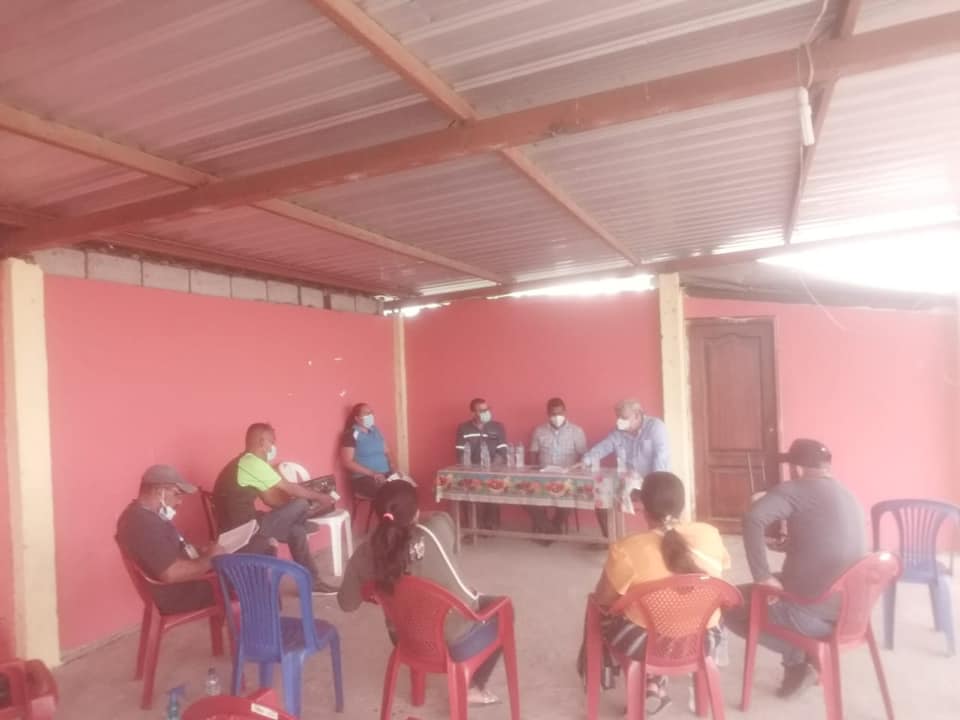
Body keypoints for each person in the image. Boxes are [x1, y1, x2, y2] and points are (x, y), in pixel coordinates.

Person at [338, 481, 505, 706]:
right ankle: (474, 688)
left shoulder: (365, 553)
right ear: (416, 512)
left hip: (404, 638)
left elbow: (347, 603)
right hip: (456, 640)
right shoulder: (437, 528)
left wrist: (377, 593)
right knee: (504, 609)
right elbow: (449, 540)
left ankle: (423, 692)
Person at [722, 438, 866, 699]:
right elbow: (827, 539)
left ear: (796, 469)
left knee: (725, 603)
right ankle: (804, 659)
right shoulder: (847, 494)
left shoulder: (796, 488)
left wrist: (762, 575)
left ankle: (797, 658)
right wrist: (789, 544)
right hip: (851, 613)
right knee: (753, 592)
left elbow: (753, 519)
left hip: (809, 610)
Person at [580, 471, 730, 715]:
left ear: (643, 508)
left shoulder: (627, 548)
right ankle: (656, 683)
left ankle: (639, 681)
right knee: (702, 610)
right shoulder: (710, 534)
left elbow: (603, 600)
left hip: (646, 644)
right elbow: (719, 575)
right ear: (683, 504)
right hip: (705, 637)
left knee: (598, 613)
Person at [213, 422, 339, 595]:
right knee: (302, 503)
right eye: (272, 442)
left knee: (296, 532)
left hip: (245, 524)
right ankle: (303, 521)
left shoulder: (244, 463)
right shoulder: (251, 462)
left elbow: (271, 500)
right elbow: (290, 488)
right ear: (262, 442)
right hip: (242, 531)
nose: (273, 447)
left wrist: (290, 510)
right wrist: (319, 497)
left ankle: (312, 583)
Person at [117, 464, 261, 613]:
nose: (179, 502)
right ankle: (257, 624)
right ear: (159, 491)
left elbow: (168, 552)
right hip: (181, 594)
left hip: (183, 585)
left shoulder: (143, 516)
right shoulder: (143, 525)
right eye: (177, 494)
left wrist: (201, 551)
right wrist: (210, 559)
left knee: (246, 563)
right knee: (252, 577)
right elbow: (171, 573)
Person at [579, 398, 669, 537]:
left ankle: (661, 537)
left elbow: (661, 458)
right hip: (628, 483)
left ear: (637, 415)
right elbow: (604, 446)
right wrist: (586, 460)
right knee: (599, 496)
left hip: (653, 481)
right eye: (618, 417)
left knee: (657, 508)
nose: (619, 421)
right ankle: (610, 540)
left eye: (624, 417)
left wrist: (653, 486)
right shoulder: (618, 431)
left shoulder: (655, 427)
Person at [527, 397, 587, 537]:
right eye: (553, 414)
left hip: (568, 476)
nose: (557, 417)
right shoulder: (539, 430)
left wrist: (576, 472)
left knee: (570, 496)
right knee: (524, 495)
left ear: (565, 412)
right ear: (548, 414)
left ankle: (552, 528)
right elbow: (533, 453)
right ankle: (551, 529)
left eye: (560, 413)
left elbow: (584, 455)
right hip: (543, 476)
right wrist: (533, 472)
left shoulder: (577, 431)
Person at [455, 398, 508, 530]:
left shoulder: (497, 427)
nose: (485, 412)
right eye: (481, 410)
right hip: (471, 470)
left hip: (494, 470)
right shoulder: (463, 428)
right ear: (473, 413)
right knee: (468, 489)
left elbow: (502, 451)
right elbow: (460, 453)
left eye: (487, 409)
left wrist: (491, 469)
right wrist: (471, 470)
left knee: (494, 487)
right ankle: (474, 527)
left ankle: (490, 525)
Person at [340, 402, 394, 501]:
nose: (371, 416)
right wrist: (373, 474)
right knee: (389, 493)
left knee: (405, 487)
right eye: (366, 413)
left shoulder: (375, 430)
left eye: (371, 413)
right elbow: (347, 462)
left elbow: (387, 451)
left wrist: (394, 468)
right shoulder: (350, 434)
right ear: (357, 418)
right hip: (364, 478)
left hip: (386, 474)